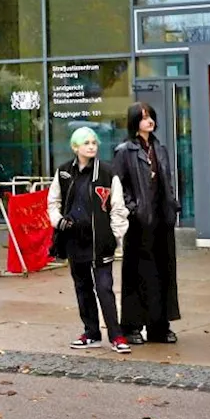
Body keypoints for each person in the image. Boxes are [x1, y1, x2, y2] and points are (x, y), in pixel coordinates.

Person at [47, 127, 130, 353]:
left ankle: (117, 336)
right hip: (74, 240)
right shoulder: (63, 172)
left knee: (105, 288)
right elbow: (53, 202)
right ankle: (91, 333)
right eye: (86, 143)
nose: (92, 146)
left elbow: (118, 208)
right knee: (82, 287)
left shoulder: (107, 172)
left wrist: (115, 235)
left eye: (94, 142)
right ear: (75, 147)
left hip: (100, 241)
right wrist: (59, 221)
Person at [111, 102, 182, 345]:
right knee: (137, 274)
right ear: (134, 122)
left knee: (163, 272)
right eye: (143, 118)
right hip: (139, 222)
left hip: (161, 220)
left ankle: (159, 326)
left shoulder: (159, 148)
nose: (148, 121)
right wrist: (132, 209)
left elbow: (168, 180)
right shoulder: (125, 151)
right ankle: (131, 327)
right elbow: (117, 186)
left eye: (150, 116)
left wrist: (172, 204)